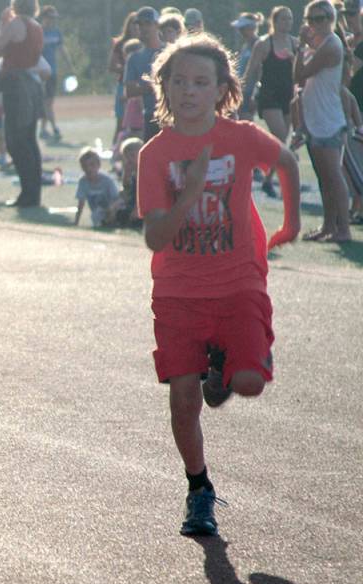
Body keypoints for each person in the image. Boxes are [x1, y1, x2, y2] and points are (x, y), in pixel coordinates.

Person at [138, 33, 301, 537]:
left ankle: (226, 369)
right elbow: (154, 236)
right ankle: (198, 489)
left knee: (249, 384)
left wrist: (290, 224)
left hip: (237, 284)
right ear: (164, 86)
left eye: (200, 82)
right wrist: (188, 194)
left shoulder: (242, 137)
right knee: (183, 400)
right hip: (178, 292)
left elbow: (289, 163)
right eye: (179, 81)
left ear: (220, 89)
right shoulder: (155, 154)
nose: (189, 91)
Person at [296, 0, 354, 243]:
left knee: (333, 176)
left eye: (321, 19)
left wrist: (300, 47)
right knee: (324, 178)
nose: (316, 24)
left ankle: (343, 230)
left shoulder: (331, 45)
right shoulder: (319, 45)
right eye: (312, 19)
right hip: (317, 119)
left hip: (328, 121)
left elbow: (299, 74)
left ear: (330, 19)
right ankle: (329, 226)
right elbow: (300, 82)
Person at [0, 0, 44, 208]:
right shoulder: (36, 26)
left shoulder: (16, 24)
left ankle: (27, 194)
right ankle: (33, 193)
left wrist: (3, 25)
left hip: (16, 85)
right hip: (32, 83)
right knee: (30, 140)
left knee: (15, 141)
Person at [245, 6, 299, 199]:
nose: (287, 23)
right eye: (283, 19)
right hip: (268, 96)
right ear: (274, 21)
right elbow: (251, 71)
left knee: (282, 142)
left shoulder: (295, 44)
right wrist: (246, 95)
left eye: (290, 19)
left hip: (288, 97)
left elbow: (301, 73)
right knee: (281, 135)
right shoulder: (264, 43)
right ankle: (264, 169)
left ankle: (268, 179)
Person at [125, 6, 165, 142]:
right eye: (140, 24)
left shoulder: (170, 51)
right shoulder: (134, 58)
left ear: (157, 25)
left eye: (147, 23)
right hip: (150, 116)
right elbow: (129, 91)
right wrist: (153, 86)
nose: (143, 28)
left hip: (174, 114)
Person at [38, 5, 72, 141]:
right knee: (45, 102)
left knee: (48, 102)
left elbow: (61, 49)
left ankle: (42, 129)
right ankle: (54, 128)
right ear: (44, 18)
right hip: (40, 72)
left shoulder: (56, 32)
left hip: (52, 71)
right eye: (50, 18)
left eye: (54, 18)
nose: (53, 21)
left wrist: (69, 65)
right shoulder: (38, 31)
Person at [109, 12, 139, 145]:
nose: (136, 27)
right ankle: (115, 150)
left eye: (139, 25)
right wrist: (129, 69)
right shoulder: (120, 43)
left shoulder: (145, 43)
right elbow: (111, 66)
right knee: (121, 122)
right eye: (133, 24)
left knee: (138, 123)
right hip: (124, 85)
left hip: (140, 88)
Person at [74, 147, 118, 227]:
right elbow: (81, 203)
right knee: (96, 215)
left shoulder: (107, 181)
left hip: (111, 210)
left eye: (92, 165)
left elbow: (116, 199)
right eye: (85, 166)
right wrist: (76, 222)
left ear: (98, 165)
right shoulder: (83, 181)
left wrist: (111, 210)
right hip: (97, 213)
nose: (88, 169)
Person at [232, 13, 263, 121]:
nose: (240, 32)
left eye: (243, 28)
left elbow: (260, 70)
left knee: (246, 119)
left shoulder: (259, 45)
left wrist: (255, 93)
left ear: (252, 28)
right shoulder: (246, 45)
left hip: (250, 91)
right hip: (243, 89)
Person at [112, 136, 143, 228]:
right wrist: (126, 173)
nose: (129, 159)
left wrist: (136, 209)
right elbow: (126, 188)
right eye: (126, 156)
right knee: (118, 211)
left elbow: (143, 193)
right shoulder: (132, 171)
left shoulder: (144, 172)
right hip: (132, 203)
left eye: (132, 155)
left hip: (142, 205)